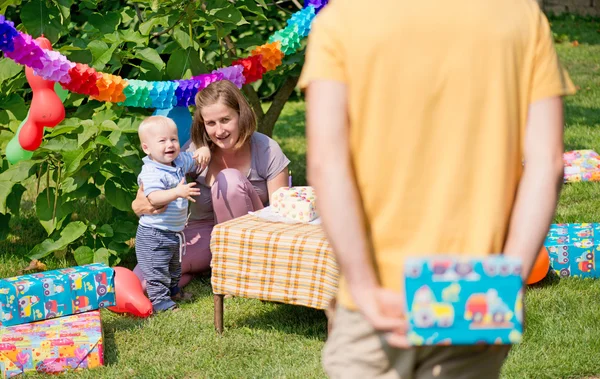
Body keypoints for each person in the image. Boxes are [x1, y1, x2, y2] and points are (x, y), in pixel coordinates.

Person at [300, 0, 575, 378]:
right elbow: (547, 164)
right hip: (476, 291)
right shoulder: (522, 16)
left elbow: (326, 165)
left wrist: (363, 288)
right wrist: (506, 281)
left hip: (381, 296)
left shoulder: (342, 19)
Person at [132, 80, 290, 289]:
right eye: (211, 123)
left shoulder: (266, 149)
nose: (219, 131)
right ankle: (194, 272)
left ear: (241, 116)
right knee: (145, 280)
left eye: (226, 120)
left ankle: (238, 271)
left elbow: (283, 213)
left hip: (251, 235)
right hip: (204, 233)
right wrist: (139, 206)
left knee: (229, 180)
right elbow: (147, 193)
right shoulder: (195, 152)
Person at [135, 115, 210, 312]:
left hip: (174, 232)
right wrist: (177, 192)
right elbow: (154, 198)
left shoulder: (177, 162)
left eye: (174, 139)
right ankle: (160, 302)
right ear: (146, 148)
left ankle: (174, 291)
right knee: (157, 269)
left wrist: (202, 150)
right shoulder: (151, 171)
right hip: (154, 234)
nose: (170, 144)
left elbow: (194, 160)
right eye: (162, 141)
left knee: (174, 266)